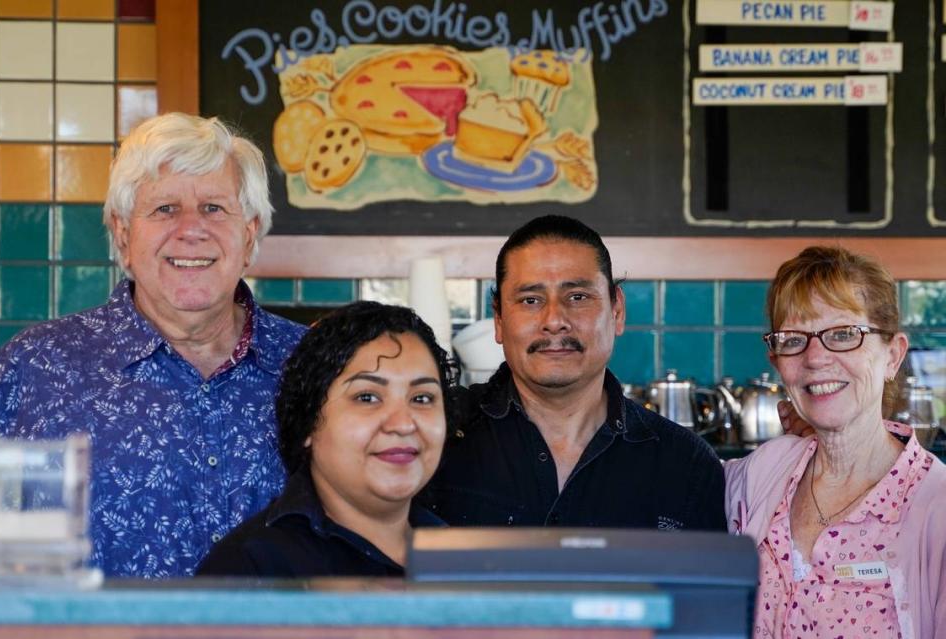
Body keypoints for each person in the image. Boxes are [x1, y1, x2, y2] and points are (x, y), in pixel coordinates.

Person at [0, 113, 306, 577]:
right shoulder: (35, 368)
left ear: (250, 231)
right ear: (122, 232)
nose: (192, 229)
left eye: (215, 208)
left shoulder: (313, 366)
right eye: (164, 209)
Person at [423, 215, 726, 531]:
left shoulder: (685, 464)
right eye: (530, 300)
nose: (554, 320)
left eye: (577, 297)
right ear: (499, 320)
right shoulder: (437, 435)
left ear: (617, 311)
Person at [725, 246, 946, 638]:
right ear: (777, 361)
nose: (815, 358)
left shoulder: (936, 509)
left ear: (893, 356)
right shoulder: (766, 470)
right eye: (793, 339)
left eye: (843, 334)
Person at [197, 302, 454, 577]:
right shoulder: (251, 568)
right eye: (367, 397)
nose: (403, 423)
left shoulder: (460, 556)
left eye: (422, 398)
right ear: (307, 420)